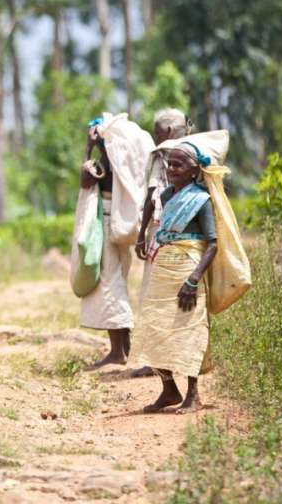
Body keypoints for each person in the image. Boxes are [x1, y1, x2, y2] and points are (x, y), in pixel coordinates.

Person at [128, 141, 218, 414]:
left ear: (194, 171)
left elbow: (213, 243)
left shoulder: (201, 200)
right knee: (154, 326)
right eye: (170, 163)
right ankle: (168, 389)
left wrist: (193, 279)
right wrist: (143, 236)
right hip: (164, 265)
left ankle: (193, 394)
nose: (171, 168)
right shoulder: (167, 196)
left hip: (188, 269)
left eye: (179, 164)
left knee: (187, 329)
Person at [71, 113, 153, 370]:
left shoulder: (105, 163)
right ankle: (124, 349)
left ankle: (117, 352)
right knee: (115, 279)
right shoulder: (124, 164)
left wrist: (88, 147)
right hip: (122, 224)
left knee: (109, 283)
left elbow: (86, 177)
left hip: (106, 224)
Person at [131, 109, 192, 377]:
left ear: (166, 132)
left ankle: (155, 360)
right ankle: (180, 358)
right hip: (191, 235)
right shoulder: (194, 152)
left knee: (153, 294)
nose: (156, 138)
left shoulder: (162, 155)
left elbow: (152, 195)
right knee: (181, 295)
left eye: (156, 133)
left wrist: (141, 233)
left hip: (162, 231)